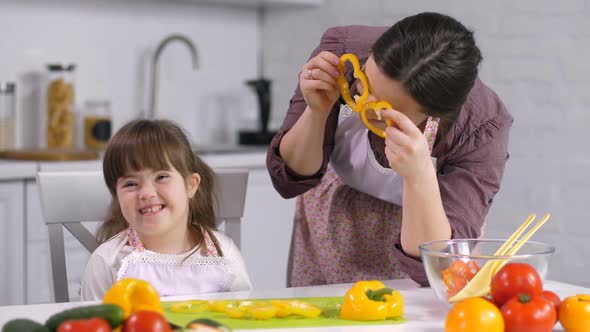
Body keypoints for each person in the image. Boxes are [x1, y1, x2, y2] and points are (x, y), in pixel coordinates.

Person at [267, 12, 513, 287]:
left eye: (382, 107)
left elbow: (437, 264)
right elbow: (288, 179)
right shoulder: (342, 52)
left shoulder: (481, 127)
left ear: (434, 114)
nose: (362, 103)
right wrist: (317, 112)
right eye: (363, 84)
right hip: (330, 226)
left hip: (418, 238)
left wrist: (418, 175)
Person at [81, 119, 252, 300]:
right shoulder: (106, 263)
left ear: (190, 185)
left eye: (161, 177)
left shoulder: (225, 253)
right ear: (116, 195)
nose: (146, 193)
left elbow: (245, 318)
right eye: (131, 184)